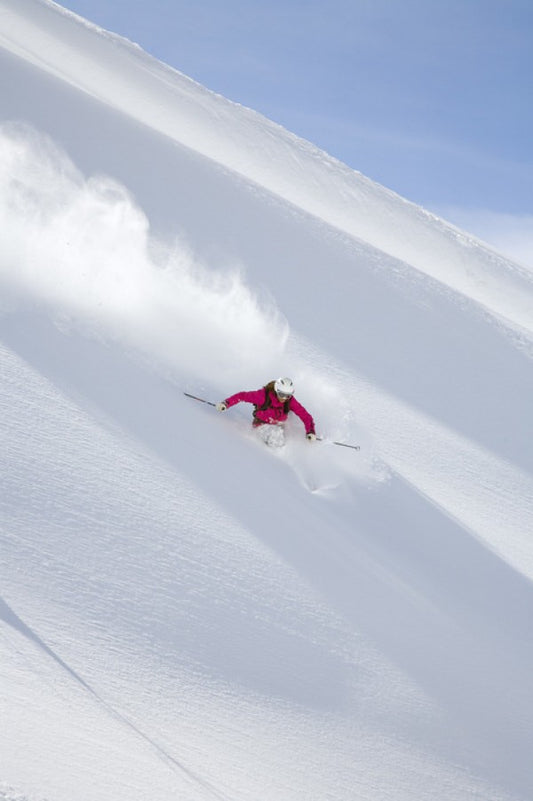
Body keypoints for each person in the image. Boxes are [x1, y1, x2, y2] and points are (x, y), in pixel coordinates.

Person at [216, 377, 316, 447]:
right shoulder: (263, 396)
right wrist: (226, 403)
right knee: (276, 438)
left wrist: (310, 431)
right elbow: (242, 396)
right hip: (261, 425)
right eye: (282, 394)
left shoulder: (290, 401)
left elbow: (305, 415)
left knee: (283, 432)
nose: (284, 398)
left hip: (280, 425)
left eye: (288, 395)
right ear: (277, 390)